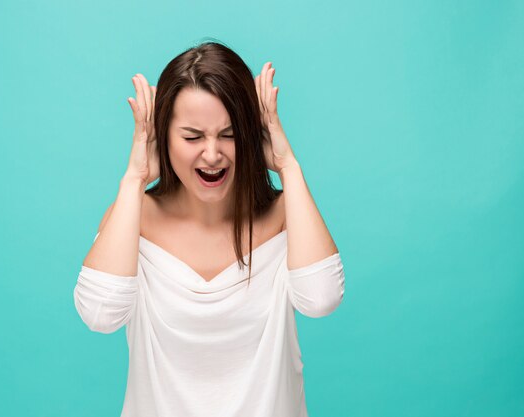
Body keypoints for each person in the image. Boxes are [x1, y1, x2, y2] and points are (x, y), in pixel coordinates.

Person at [73, 40, 345, 417]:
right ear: (162, 137)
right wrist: (134, 179)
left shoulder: (285, 214)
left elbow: (322, 298)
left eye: (229, 134)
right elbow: (100, 314)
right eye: (192, 137)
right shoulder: (134, 217)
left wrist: (289, 166)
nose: (213, 154)